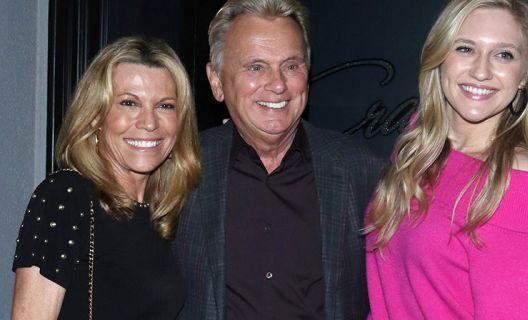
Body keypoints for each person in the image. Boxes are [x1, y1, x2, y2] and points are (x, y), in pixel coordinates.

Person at [172, 0, 384, 319]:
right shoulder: (179, 169)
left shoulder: (361, 171)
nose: (278, 84)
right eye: (256, 66)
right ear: (216, 81)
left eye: (291, 65)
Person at [365, 0, 528, 319]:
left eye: (504, 54)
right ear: (440, 57)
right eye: (465, 48)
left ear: (525, 75)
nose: (481, 70)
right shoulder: (419, 143)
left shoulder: (518, 181)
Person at [11, 36, 201, 319]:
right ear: (95, 117)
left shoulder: (165, 214)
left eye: (164, 106)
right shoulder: (65, 196)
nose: (149, 122)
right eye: (129, 103)